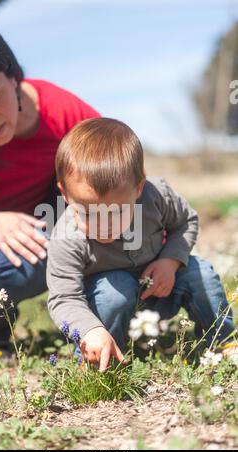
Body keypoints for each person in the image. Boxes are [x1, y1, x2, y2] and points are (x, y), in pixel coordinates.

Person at [0, 13, 100, 360]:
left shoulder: (61, 112)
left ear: (13, 75)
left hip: (37, 223)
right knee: (42, 251)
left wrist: (158, 254)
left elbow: (124, 178)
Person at [46, 117, 236, 371]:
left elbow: (186, 222)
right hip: (107, 308)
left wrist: (170, 261)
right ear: (65, 195)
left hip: (161, 289)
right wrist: (89, 329)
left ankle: (222, 349)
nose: (104, 224)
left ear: (138, 188)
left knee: (200, 273)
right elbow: (63, 297)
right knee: (114, 292)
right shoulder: (66, 237)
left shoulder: (156, 196)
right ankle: (106, 361)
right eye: (89, 214)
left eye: (116, 212)